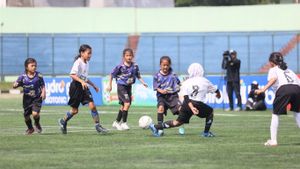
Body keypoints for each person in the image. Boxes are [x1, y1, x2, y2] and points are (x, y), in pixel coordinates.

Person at [149, 63, 221, 137]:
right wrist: (218, 94)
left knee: (177, 122)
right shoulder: (205, 81)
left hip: (187, 104)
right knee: (210, 112)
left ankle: (155, 127)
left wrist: (190, 106)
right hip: (198, 104)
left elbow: (185, 96)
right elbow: (216, 90)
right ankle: (206, 133)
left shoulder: (187, 82)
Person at [58, 44, 108, 134]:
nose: (90, 55)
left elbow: (85, 78)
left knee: (92, 106)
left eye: (91, 53)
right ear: (82, 53)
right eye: (88, 53)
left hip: (84, 87)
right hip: (75, 88)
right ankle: (63, 121)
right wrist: (81, 81)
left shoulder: (87, 63)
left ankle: (98, 126)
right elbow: (72, 75)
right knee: (74, 111)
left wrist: (93, 85)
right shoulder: (78, 62)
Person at [255, 52, 300, 146]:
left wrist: (262, 89)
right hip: (297, 89)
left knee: (275, 114)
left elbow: (273, 79)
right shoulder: (289, 70)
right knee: (297, 113)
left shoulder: (273, 69)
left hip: (284, 89)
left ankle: (273, 140)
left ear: (271, 62)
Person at [107, 48, 148, 130]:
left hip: (129, 87)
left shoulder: (135, 66)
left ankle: (116, 122)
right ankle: (124, 123)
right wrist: (109, 85)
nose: (129, 57)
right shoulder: (120, 67)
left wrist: (143, 82)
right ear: (124, 57)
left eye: (130, 55)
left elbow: (138, 75)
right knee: (127, 104)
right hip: (121, 86)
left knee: (123, 106)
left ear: (132, 56)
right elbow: (111, 75)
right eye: (127, 55)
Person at [13, 58, 46, 135]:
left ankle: (37, 124)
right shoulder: (22, 76)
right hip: (27, 99)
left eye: (35, 65)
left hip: (37, 97)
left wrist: (44, 92)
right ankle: (30, 128)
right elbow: (16, 84)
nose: (34, 67)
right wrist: (15, 85)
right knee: (26, 116)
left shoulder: (39, 75)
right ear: (26, 67)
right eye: (32, 66)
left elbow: (43, 85)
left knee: (35, 113)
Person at [153, 56, 182, 135]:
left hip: (173, 96)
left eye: (167, 65)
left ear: (169, 65)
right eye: (164, 65)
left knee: (181, 110)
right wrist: (161, 91)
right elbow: (156, 88)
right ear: (160, 65)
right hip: (162, 97)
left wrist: (178, 87)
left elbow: (179, 84)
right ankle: (160, 128)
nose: (165, 67)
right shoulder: (157, 76)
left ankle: (181, 126)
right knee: (160, 108)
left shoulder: (173, 75)